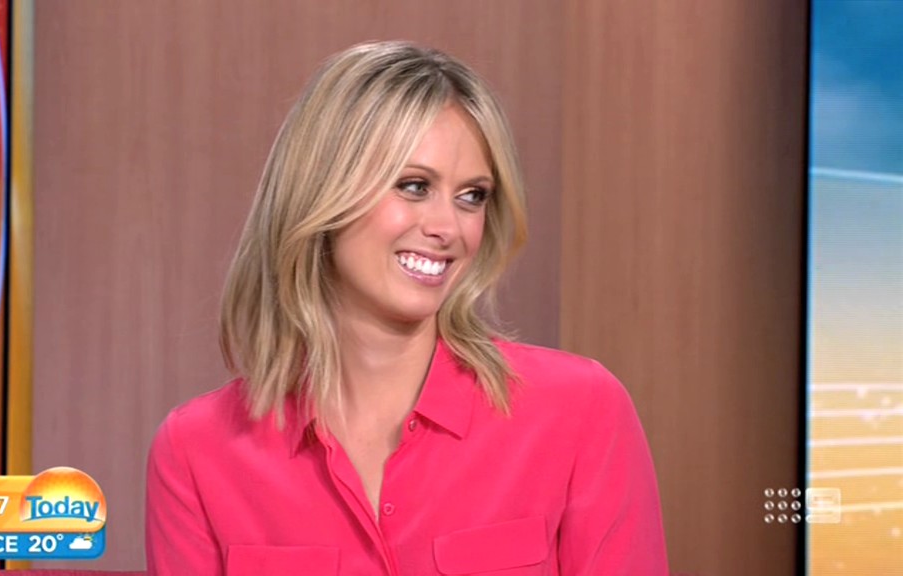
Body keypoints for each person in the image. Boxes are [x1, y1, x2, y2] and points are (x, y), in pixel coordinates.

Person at [145, 40, 668, 575]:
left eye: (472, 196)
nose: (448, 228)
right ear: (322, 191)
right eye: (414, 186)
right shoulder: (195, 454)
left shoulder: (579, 412)